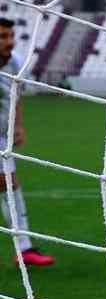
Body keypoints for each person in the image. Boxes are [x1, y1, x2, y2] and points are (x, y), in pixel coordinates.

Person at [0, 18, 53, 267]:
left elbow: (15, 96)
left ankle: (24, 248)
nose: (9, 42)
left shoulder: (16, 62)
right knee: (7, 184)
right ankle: (24, 247)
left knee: (9, 185)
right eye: (2, 36)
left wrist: (17, 125)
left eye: (10, 35)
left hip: (1, 136)